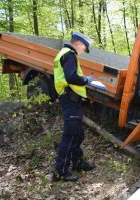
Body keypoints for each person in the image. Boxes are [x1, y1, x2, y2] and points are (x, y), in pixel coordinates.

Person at [53, 32, 95, 182]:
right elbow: (71, 77)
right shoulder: (69, 54)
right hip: (70, 99)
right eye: (84, 47)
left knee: (78, 134)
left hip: (71, 99)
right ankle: (60, 171)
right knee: (70, 135)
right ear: (77, 43)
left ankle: (78, 162)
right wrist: (86, 80)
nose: (84, 51)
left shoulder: (64, 54)